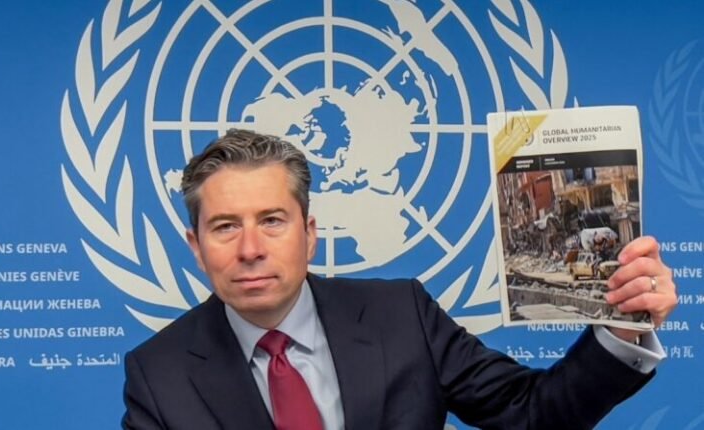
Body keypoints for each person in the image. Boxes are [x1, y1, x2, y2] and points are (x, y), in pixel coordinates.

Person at [122, 129, 676, 430]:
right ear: (196, 247)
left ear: (309, 235)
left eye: (272, 221)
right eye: (225, 227)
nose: (250, 249)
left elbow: (532, 414)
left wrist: (622, 327)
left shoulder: (402, 316)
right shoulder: (158, 374)